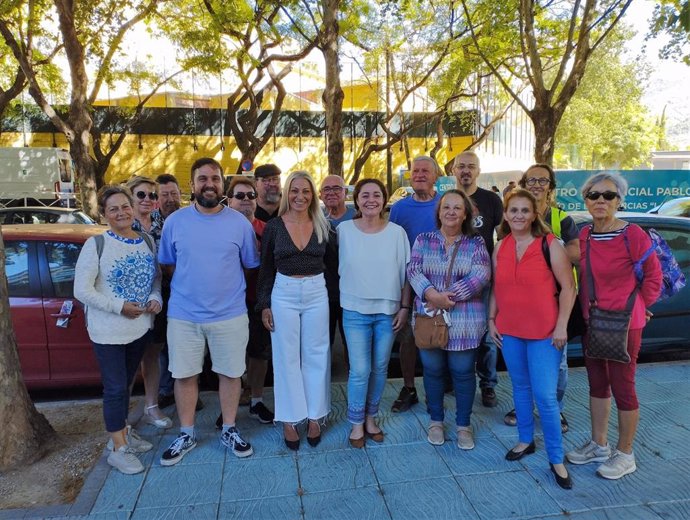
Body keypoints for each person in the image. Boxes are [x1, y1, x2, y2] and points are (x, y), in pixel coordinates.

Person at [158, 158, 260, 465]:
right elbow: (167, 263)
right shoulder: (175, 222)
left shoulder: (239, 224)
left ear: (222, 184)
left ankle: (229, 428)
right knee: (185, 375)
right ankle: (186, 432)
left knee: (230, 374)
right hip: (184, 316)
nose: (209, 184)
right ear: (192, 185)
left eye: (215, 178)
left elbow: (250, 266)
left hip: (229, 314)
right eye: (202, 179)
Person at [566, 172, 661, 480]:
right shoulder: (585, 235)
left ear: (620, 200)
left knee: (623, 385)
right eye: (594, 195)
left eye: (608, 195)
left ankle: (626, 453)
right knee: (596, 383)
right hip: (594, 320)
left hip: (623, 323)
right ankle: (599, 444)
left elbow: (653, 277)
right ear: (586, 200)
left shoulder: (632, 234)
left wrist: (641, 307)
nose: (601, 201)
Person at [488, 188, 576, 490]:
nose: (519, 216)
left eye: (525, 210)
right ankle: (526, 440)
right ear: (506, 214)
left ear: (534, 214)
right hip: (510, 331)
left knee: (546, 397)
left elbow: (569, 288)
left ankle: (556, 458)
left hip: (545, 334)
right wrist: (491, 319)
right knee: (520, 389)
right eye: (514, 210)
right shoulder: (501, 246)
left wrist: (562, 325)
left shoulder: (550, 244)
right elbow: (497, 289)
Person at [74, 185, 162, 474]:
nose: (121, 212)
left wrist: (155, 298)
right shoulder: (96, 245)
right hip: (108, 331)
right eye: (113, 209)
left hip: (139, 329)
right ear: (103, 214)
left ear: (133, 209)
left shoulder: (147, 241)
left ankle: (123, 432)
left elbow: (155, 279)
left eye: (125, 206)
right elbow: (81, 290)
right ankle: (118, 449)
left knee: (125, 386)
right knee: (114, 389)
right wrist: (119, 306)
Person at [257, 170, 336, 450]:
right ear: (286, 193)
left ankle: (316, 416)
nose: (300, 196)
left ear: (312, 195)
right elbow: (266, 269)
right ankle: (290, 419)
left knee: (317, 355)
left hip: (316, 292)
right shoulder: (275, 227)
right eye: (295, 190)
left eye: (306, 191)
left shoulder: (322, 225)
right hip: (284, 293)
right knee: (286, 357)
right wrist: (264, 303)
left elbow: (332, 267)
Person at [408, 189, 491, 449]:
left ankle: (463, 425)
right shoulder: (423, 239)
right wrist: (432, 295)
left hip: (465, 321)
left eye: (457, 208)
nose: (451, 212)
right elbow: (414, 268)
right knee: (432, 371)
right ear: (439, 212)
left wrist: (449, 297)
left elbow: (482, 274)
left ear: (465, 213)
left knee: (463, 372)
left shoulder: (475, 243)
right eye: (446, 207)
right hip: (429, 317)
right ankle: (435, 421)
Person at [502, 164, 580, 432]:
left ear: (551, 186)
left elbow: (576, 253)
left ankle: (554, 410)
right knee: (522, 367)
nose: (537, 184)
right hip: (522, 306)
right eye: (531, 180)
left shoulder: (562, 219)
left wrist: (546, 249)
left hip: (556, 302)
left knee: (558, 364)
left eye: (542, 180)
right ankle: (524, 406)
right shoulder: (514, 218)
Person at [338, 178, 410, 448]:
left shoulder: (397, 233)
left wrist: (404, 307)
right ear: (356, 200)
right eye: (365, 195)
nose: (371, 199)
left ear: (384, 199)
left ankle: (371, 418)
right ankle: (356, 423)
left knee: (380, 368)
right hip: (354, 310)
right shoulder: (343, 230)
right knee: (360, 369)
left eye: (377, 195)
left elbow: (406, 275)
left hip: (387, 312)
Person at [388, 155, 442, 413]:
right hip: (408, 284)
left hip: (441, 284)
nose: (419, 174)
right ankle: (409, 388)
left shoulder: (446, 204)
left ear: (436, 176)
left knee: (439, 337)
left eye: (425, 171)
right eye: (415, 170)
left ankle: (437, 390)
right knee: (407, 339)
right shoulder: (399, 208)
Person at [453, 151, 503, 408]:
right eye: (461, 166)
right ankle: (455, 381)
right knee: (453, 333)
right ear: (453, 170)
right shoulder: (447, 200)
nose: (466, 170)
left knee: (486, 336)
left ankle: (488, 385)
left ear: (478, 171)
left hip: (484, 281)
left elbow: (504, 237)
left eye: (471, 166)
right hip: (451, 281)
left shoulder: (491, 200)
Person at [223, 176, 274, 424]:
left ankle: (256, 401)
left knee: (259, 355)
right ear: (229, 200)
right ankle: (229, 406)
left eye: (251, 195)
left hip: (257, 302)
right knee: (229, 357)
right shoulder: (219, 230)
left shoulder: (268, 229)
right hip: (226, 304)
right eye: (240, 195)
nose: (246, 200)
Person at [125, 175, 172, 430]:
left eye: (153, 195)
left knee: (153, 354)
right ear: (131, 197)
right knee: (130, 359)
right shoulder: (123, 224)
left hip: (160, 294)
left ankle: (151, 407)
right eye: (142, 194)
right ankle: (120, 418)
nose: (148, 200)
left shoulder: (160, 221)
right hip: (132, 300)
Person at [320, 174, 355, 365]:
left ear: (345, 192)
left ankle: (355, 386)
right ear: (320, 194)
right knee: (323, 342)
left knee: (353, 343)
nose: (332, 192)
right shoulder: (315, 218)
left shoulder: (358, 216)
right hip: (324, 292)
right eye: (327, 189)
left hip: (353, 291)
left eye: (336, 188)